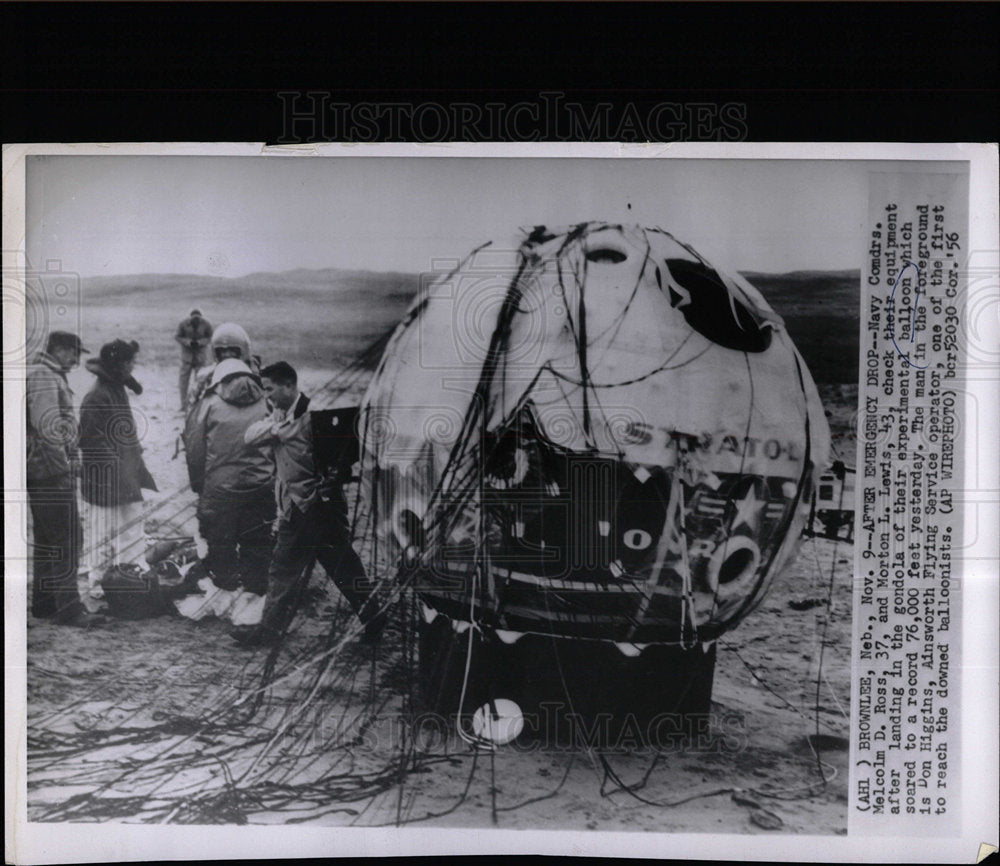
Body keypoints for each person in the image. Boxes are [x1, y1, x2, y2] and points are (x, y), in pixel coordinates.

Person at [233, 361, 381, 646]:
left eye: (271, 389)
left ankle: (374, 617)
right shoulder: (280, 415)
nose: (267, 396)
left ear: (289, 385)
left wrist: (278, 429)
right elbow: (250, 437)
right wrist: (279, 428)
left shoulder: (317, 416)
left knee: (342, 568)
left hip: (321, 509)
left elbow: (345, 453)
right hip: (294, 509)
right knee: (283, 569)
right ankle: (269, 630)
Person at [26, 331, 100, 626]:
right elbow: (47, 428)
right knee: (69, 537)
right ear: (58, 349)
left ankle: (45, 604)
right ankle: (69, 609)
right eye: (73, 353)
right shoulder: (44, 375)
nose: (76, 360)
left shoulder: (43, 372)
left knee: (48, 539)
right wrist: (63, 469)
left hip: (41, 470)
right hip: (50, 472)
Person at [183, 358, 275, 594]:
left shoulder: (209, 404)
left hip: (220, 489)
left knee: (220, 543)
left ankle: (225, 592)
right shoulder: (267, 402)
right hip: (261, 487)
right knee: (257, 545)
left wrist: (199, 484)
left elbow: (194, 448)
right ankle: (255, 595)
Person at [78, 339, 158, 607]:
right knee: (101, 530)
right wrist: (119, 466)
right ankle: (98, 580)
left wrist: (132, 458)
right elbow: (90, 443)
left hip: (126, 473)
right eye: (131, 362)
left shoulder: (116, 388)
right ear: (121, 364)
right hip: (104, 479)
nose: (133, 366)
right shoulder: (96, 396)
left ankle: (130, 574)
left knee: (132, 526)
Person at [185, 321, 259, 413]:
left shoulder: (256, 374)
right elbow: (194, 406)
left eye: (232, 350)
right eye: (222, 351)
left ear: (243, 350)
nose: (227, 355)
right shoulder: (206, 376)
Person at [175, 309, 213, 411]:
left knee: (200, 382)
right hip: (186, 357)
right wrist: (188, 342)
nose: (196, 320)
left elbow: (210, 337)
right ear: (190, 318)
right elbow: (177, 336)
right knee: (183, 382)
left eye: (198, 318)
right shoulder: (183, 324)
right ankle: (183, 405)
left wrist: (200, 342)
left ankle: (197, 405)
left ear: (201, 318)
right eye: (194, 318)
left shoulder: (206, 324)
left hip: (200, 358)